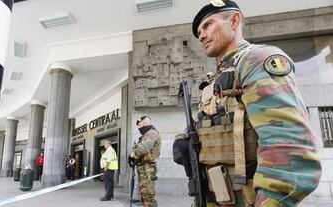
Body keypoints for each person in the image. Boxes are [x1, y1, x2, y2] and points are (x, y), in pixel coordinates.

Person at [184, 0, 322, 206]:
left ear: (234, 21)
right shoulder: (214, 79)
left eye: (208, 25)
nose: (201, 35)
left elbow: (288, 148)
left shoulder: (256, 60)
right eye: (198, 32)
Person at [128, 116, 161, 207]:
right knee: (144, 195)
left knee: (148, 196)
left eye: (139, 125)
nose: (138, 128)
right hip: (144, 168)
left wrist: (132, 155)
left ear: (145, 123)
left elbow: (144, 148)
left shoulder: (152, 133)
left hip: (148, 169)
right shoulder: (146, 135)